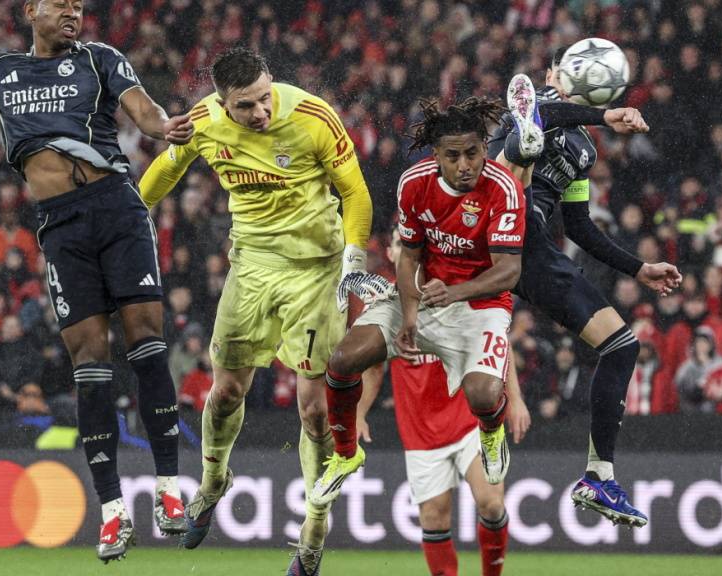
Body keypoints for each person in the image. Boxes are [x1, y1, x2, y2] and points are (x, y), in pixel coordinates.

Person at [0, 0, 195, 561]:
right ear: (32, 11)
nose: (73, 12)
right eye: (62, 4)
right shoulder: (1, 73)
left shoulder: (99, 59)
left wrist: (163, 126)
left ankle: (169, 489)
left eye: (79, 6)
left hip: (117, 208)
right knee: (90, 361)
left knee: (146, 342)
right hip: (61, 226)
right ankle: (112, 511)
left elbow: (143, 110)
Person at [139, 48, 373, 574]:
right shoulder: (202, 123)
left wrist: (353, 258)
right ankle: (212, 484)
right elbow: (161, 174)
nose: (262, 112)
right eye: (247, 106)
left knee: (315, 412)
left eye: (266, 98)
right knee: (224, 392)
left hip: (317, 271)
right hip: (251, 268)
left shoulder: (313, 117)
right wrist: (130, 224)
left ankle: (313, 531)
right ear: (223, 103)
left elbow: (355, 193)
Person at [486, 56, 682, 526]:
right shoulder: (537, 103)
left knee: (622, 345)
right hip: (490, 220)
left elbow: (578, 226)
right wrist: (604, 117)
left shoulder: (583, 150)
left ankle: (598, 477)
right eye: (560, 68)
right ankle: (516, 161)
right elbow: (548, 113)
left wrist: (639, 269)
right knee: (526, 132)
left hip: (530, 247)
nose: (565, 76)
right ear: (551, 76)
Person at [312, 97, 526, 509]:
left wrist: (455, 291)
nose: (465, 165)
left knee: (482, 395)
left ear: (485, 148)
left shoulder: (503, 188)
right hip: (424, 296)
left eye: (474, 153)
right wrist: (409, 314)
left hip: (480, 304)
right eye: (453, 156)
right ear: (437, 156)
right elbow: (408, 254)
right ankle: (344, 453)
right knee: (341, 361)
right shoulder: (414, 183)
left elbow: (509, 272)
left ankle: (490, 431)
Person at [357, 232, 530, 576]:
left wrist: (516, 399)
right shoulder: (385, 303)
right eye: (395, 243)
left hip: (467, 417)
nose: (401, 248)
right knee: (434, 518)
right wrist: (359, 412)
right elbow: (374, 367)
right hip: (421, 428)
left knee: (492, 503)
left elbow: (494, 339)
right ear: (391, 253)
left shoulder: (449, 287)